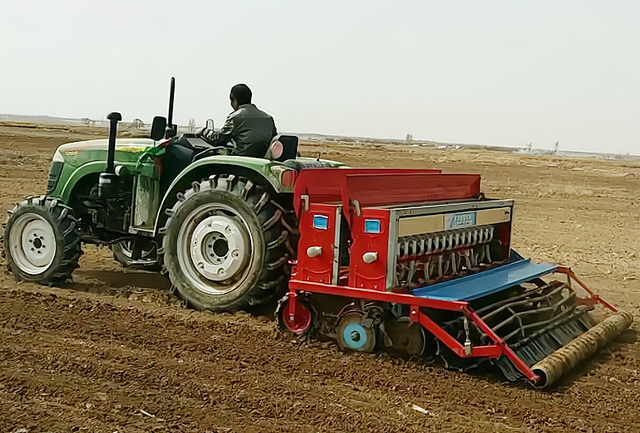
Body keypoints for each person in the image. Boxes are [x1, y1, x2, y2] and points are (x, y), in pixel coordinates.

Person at [197, 83, 278, 158]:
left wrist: (203, 131)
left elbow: (218, 139)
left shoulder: (236, 117)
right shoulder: (268, 118)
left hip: (241, 160)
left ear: (234, 101)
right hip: (262, 161)